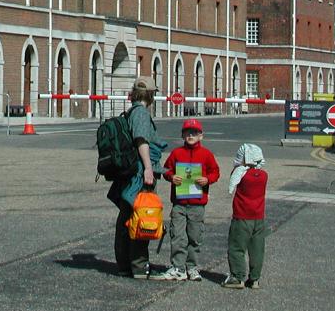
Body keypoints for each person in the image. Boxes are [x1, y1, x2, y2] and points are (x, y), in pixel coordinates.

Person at [107, 77, 168, 279]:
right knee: (143, 216)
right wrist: (149, 169)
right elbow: (141, 140)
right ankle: (139, 266)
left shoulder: (131, 112)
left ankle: (125, 264)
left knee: (126, 218)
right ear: (151, 95)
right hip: (139, 175)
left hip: (130, 174)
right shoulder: (141, 113)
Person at [153, 118, 220, 281]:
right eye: (187, 132)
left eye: (194, 133)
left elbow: (215, 172)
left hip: (197, 204)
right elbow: (166, 169)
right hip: (179, 203)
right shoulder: (177, 153)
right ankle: (178, 267)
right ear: (182, 135)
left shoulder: (206, 154)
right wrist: (171, 176)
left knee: (195, 236)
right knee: (177, 235)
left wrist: (207, 179)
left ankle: (192, 267)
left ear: (201, 136)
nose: (190, 135)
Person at [223, 143, 268, 289]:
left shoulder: (241, 173)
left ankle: (237, 276)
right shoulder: (263, 175)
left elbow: (233, 182)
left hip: (242, 217)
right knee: (257, 249)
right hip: (259, 218)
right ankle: (254, 278)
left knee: (237, 247)